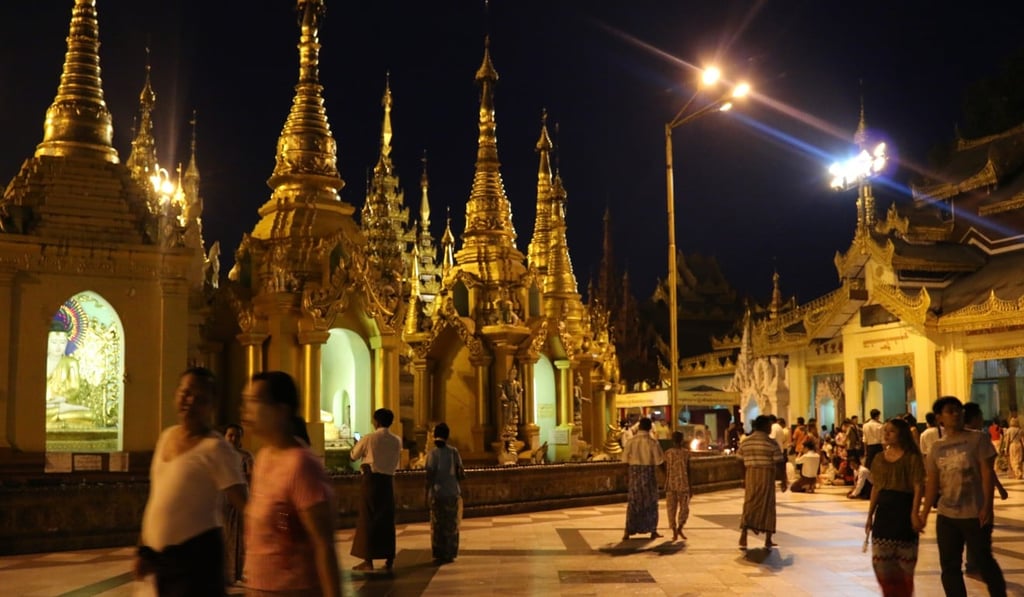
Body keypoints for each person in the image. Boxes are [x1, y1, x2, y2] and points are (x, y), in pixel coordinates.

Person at [136, 367, 248, 596]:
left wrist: (284, 524)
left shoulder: (216, 449)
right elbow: (156, 501)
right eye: (186, 393)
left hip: (196, 565)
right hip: (160, 563)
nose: (191, 401)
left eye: (201, 398)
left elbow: (247, 506)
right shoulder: (166, 436)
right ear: (176, 394)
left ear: (212, 406)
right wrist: (143, 549)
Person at [241, 371, 340, 597]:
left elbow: (323, 543)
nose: (245, 408)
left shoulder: (301, 465)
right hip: (260, 587)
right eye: (244, 401)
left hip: (293, 589)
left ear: (281, 410)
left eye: (254, 401)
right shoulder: (264, 456)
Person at [920, 396, 1007, 596]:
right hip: (947, 515)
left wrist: (987, 506)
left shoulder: (978, 439)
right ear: (939, 418)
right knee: (950, 567)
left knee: (984, 561)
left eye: (959, 410)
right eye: (950, 411)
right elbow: (933, 482)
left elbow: (987, 473)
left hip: (974, 513)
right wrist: (923, 514)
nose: (957, 414)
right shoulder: (936, 447)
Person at [865, 417, 925, 597]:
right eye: (885, 431)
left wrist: (915, 512)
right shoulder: (879, 458)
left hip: (904, 512)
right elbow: (876, 486)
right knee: (882, 565)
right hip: (884, 515)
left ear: (902, 435)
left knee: (904, 567)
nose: (886, 434)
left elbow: (918, 486)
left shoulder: (912, 457)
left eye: (891, 431)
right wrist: (870, 515)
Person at [350, 407, 403, 572]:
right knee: (387, 520)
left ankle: (368, 561)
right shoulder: (397, 440)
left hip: (371, 481)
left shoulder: (369, 438)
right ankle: (389, 558)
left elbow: (353, 455)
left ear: (376, 421)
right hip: (388, 482)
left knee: (368, 519)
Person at [736, 414, 787, 551]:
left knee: (750, 504)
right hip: (766, 476)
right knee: (768, 506)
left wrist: (743, 478)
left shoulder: (746, 441)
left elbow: (739, 460)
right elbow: (779, 462)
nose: (771, 428)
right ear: (764, 426)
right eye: (769, 426)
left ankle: (744, 535)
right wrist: (783, 479)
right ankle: (768, 539)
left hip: (751, 475)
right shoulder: (770, 443)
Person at [425, 422, 465, 564]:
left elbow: (429, 474)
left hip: (438, 492)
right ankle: (450, 553)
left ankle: (439, 553)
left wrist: (427, 492)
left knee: (437, 525)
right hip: (453, 492)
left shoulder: (432, 453)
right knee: (452, 524)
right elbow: (461, 472)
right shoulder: (454, 452)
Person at [621, 417, 664, 540]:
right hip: (648, 473)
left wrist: (626, 476)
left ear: (639, 427)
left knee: (634, 502)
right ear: (650, 427)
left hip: (634, 473)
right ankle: (652, 530)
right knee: (651, 502)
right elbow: (659, 461)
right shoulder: (653, 442)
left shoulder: (631, 441)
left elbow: (624, 461)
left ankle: (628, 530)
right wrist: (666, 475)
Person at [223, 423, 254, 586]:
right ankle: (224, 573)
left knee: (240, 538)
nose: (233, 439)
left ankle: (238, 572)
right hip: (223, 501)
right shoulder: (219, 456)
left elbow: (251, 477)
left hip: (241, 499)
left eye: (236, 436)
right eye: (230, 435)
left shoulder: (246, 456)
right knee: (225, 536)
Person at [662, 430, 692, 541]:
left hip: (672, 483)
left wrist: (667, 476)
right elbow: (689, 470)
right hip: (682, 483)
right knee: (683, 508)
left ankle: (676, 529)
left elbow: (663, 466)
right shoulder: (684, 453)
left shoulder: (669, 453)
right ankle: (678, 528)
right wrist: (691, 486)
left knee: (672, 508)